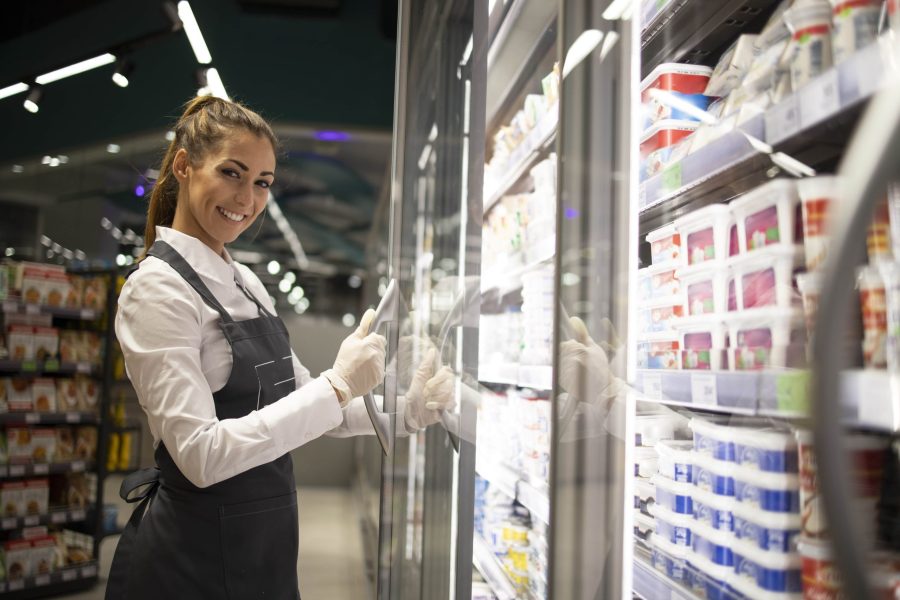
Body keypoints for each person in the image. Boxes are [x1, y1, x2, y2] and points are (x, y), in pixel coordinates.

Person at [105, 96, 455, 600]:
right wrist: (337, 386)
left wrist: (406, 412)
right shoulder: (156, 290)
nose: (247, 199)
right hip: (193, 558)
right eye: (232, 173)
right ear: (183, 166)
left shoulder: (243, 279)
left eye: (262, 182)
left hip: (264, 546)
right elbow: (200, 456)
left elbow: (306, 404)